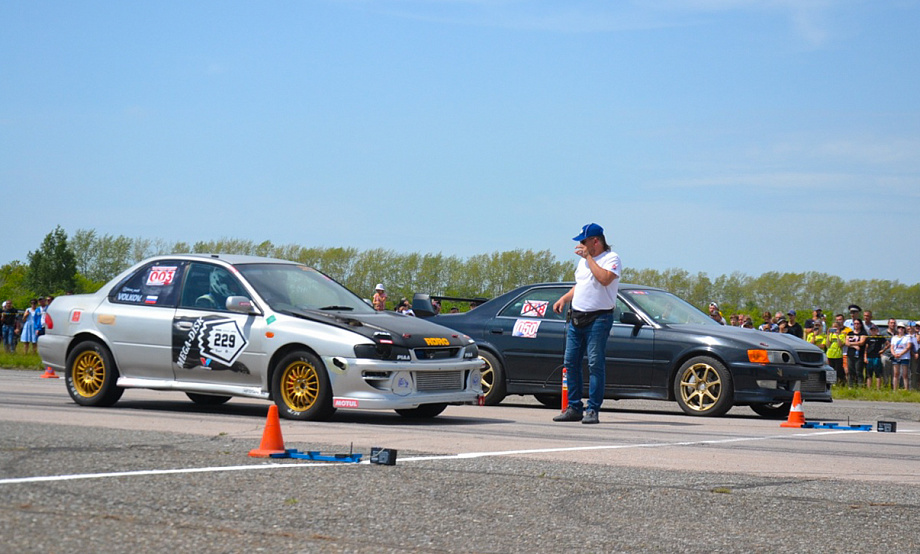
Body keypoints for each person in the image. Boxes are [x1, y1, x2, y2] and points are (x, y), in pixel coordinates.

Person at [553, 223, 621, 425]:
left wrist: (589, 258)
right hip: (577, 317)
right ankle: (574, 407)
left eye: (584, 241)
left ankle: (592, 409)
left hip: (599, 318)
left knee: (595, 363)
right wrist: (564, 298)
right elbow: (581, 284)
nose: (580, 245)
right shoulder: (583, 263)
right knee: (570, 362)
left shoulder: (611, 258)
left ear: (595, 241)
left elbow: (604, 279)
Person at [845, 319, 868, 387]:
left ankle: (860, 385)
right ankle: (851, 385)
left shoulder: (863, 333)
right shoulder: (850, 333)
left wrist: (851, 343)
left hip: (859, 355)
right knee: (850, 371)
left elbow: (861, 342)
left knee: (858, 371)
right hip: (850, 354)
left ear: (860, 324)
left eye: (858, 323)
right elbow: (846, 343)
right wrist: (854, 346)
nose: (856, 325)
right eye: (855, 323)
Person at [890, 323, 912, 391]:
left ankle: (906, 389)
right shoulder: (894, 338)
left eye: (902, 328)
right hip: (896, 357)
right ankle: (894, 389)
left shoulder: (907, 337)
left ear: (904, 329)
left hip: (904, 357)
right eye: (899, 327)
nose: (901, 329)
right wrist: (894, 354)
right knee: (896, 373)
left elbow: (908, 347)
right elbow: (892, 347)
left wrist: (901, 354)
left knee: (905, 374)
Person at [864, 325, 886, 390]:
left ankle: (878, 389)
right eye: (872, 330)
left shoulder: (880, 337)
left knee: (878, 374)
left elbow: (888, 344)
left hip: (877, 357)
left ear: (877, 330)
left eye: (874, 330)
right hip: (869, 357)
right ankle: (869, 389)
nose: (873, 331)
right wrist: (865, 357)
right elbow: (865, 348)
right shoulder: (868, 338)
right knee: (869, 374)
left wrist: (883, 350)